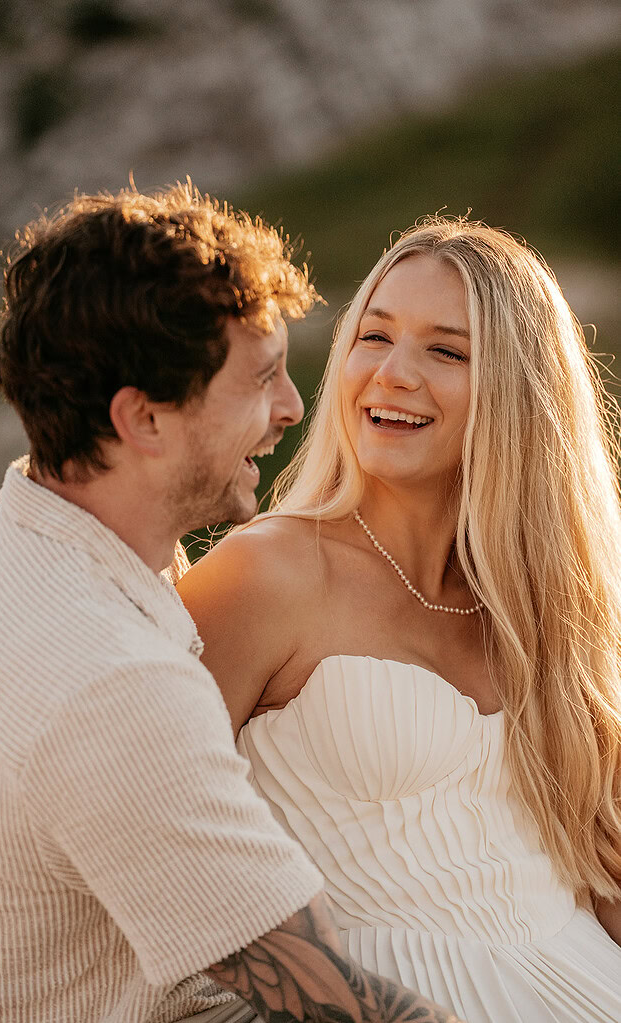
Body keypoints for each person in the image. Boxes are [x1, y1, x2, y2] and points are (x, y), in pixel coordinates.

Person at [0, 187, 461, 1023]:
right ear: (144, 418)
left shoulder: (12, 544)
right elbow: (333, 1001)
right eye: (259, 381)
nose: (292, 408)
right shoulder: (109, 681)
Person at [177, 216, 621, 1023]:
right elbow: (141, 826)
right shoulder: (264, 572)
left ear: (519, 391)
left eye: (445, 351)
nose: (391, 374)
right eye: (373, 336)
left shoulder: (554, 606)